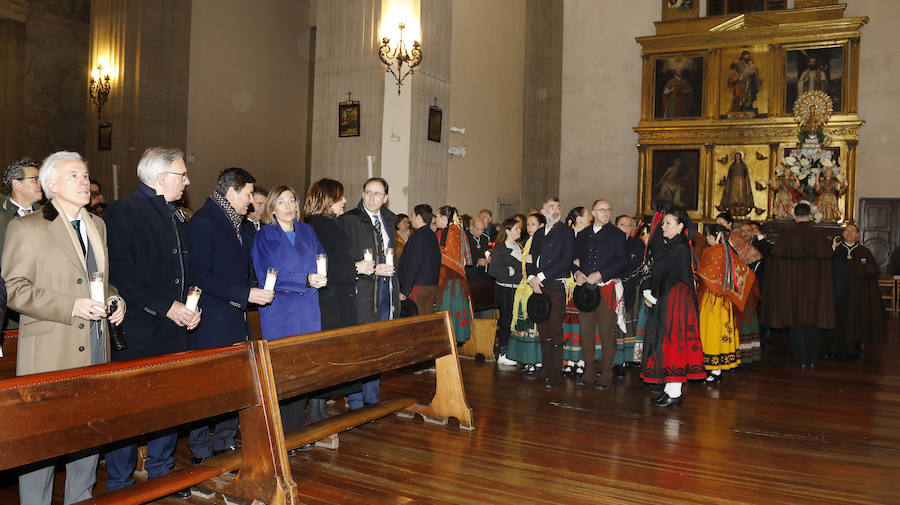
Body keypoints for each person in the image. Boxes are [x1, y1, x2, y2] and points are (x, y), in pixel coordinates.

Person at [3, 151, 125, 505]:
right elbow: (14, 288)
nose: (85, 181)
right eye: (75, 176)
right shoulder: (26, 227)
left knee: (88, 437)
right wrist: (70, 306)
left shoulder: (97, 224)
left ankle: (80, 498)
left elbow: (99, 281)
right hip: (51, 351)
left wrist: (116, 300)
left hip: (96, 348)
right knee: (42, 444)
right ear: (50, 185)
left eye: (86, 175)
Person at [102, 147, 200, 499]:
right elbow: (123, 273)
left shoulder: (175, 215)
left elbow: (184, 269)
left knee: (168, 405)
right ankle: (120, 484)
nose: (187, 180)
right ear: (161, 178)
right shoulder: (123, 212)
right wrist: (166, 306)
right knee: (129, 409)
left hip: (172, 327)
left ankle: (161, 472)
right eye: (182, 174)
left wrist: (191, 303)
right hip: (140, 327)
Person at [187, 166, 273, 463]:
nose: (251, 201)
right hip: (211, 318)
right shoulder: (204, 221)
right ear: (232, 191)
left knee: (234, 383)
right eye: (248, 194)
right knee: (205, 386)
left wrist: (251, 289)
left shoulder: (234, 221)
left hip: (233, 316)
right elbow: (200, 275)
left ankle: (224, 440)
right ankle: (199, 450)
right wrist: (244, 294)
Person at [252, 185, 327, 446]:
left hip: (307, 309)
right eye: (281, 202)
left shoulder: (307, 230)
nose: (288, 206)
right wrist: (304, 279)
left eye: (292, 201)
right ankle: (278, 435)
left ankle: (297, 433)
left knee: (304, 371)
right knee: (282, 373)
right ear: (272, 208)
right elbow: (268, 275)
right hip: (281, 311)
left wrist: (320, 272)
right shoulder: (264, 236)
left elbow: (321, 256)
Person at [303, 178, 366, 424]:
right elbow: (324, 267)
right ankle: (317, 411)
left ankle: (321, 409)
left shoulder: (329, 224)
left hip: (338, 300)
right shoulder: (317, 227)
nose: (345, 201)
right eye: (340, 197)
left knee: (331, 358)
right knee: (325, 357)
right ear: (328, 199)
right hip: (328, 303)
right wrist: (355, 268)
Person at [339, 177, 398, 409]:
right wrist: (373, 268)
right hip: (362, 292)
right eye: (367, 192)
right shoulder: (349, 221)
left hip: (385, 290)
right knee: (360, 346)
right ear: (362, 194)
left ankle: (372, 396)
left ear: (385, 198)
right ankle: (354, 399)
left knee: (378, 347)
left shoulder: (389, 220)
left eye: (377, 194)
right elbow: (343, 259)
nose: (371, 197)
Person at [641, 211, 706, 407]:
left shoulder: (679, 247)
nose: (663, 226)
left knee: (674, 342)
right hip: (671, 297)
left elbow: (660, 271)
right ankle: (670, 390)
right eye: (663, 223)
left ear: (680, 227)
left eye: (668, 223)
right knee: (667, 342)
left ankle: (675, 393)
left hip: (675, 300)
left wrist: (649, 293)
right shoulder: (674, 245)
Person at [761, 203, 834, 367]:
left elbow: (776, 268)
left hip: (791, 289)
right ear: (810, 216)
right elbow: (828, 268)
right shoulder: (820, 237)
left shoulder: (786, 236)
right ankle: (812, 359)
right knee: (813, 321)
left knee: (796, 323)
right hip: (816, 290)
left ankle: (800, 359)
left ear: (794, 215)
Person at [573, 200, 627, 390]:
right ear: (594, 213)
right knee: (586, 332)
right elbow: (574, 260)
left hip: (606, 289)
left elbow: (623, 261)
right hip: (585, 292)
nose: (606, 213)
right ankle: (588, 372)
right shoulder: (582, 234)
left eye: (608, 210)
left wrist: (601, 274)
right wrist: (577, 273)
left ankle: (606, 374)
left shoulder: (618, 235)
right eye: (601, 210)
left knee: (606, 333)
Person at [526, 197, 575, 389]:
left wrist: (540, 277)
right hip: (537, 286)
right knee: (543, 329)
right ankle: (545, 368)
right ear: (543, 211)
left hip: (554, 285)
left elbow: (566, 261)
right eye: (551, 207)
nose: (555, 210)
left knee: (555, 330)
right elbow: (530, 257)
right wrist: (531, 278)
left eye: (558, 207)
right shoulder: (538, 233)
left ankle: (556, 373)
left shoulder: (566, 231)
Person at [696, 226, 749, 383]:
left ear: (714, 236)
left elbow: (704, 274)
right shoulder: (730, 251)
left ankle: (713, 368)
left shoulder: (712, 251)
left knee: (711, 331)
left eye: (708, 236)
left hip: (711, 299)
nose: (707, 239)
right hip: (726, 300)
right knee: (722, 330)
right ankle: (719, 368)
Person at [826, 224, 883, 361]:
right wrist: (832, 248)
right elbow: (824, 266)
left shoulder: (864, 251)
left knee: (854, 323)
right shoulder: (835, 249)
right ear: (843, 234)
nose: (849, 233)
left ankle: (853, 351)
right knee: (834, 322)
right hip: (836, 294)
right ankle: (832, 350)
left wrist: (865, 269)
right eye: (847, 230)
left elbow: (874, 270)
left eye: (853, 231)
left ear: (858, 235)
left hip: (856, 296)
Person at [1, 159, 43, 329]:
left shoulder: (49, 216)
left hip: (42, 304)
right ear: (16, 184)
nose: (40, 184)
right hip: (8, 307)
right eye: (35, 179)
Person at [507, 213, 544, 375]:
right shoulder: (529, 241)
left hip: (536, 286)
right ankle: (527, 359)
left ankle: (537, 360)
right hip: (524, 287)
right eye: (527, 224)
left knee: (534, 325)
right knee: (524, 324)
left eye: (533, 224)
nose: (529, 228)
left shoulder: (542, 242)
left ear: (541, 226)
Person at [487, 217, 523, 366]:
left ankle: (513, 351)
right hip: (505, 289)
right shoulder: (501, 248)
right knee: (506, 319)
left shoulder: (519, 246)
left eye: (520, 228)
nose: (520, 230)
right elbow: (493, 270)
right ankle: (502, 353)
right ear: (507, 231)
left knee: (515, 320)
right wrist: (510, 271)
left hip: (517, 289)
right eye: (517, 228)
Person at [561, 206, 591, 378]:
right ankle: (568, 362)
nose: (590, 218)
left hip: (584, 284)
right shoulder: (566, 235)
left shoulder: (590, 236)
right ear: (578, 218)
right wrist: (573, 263)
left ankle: (581, 361)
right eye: (587, 215)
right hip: (568, 284)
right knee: (567, 323)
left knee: (583, 324)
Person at [436, 205, 473, 345]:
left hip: (450, 276)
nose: (436, 219)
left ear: (445, 217)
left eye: (438, 216)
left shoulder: (450, 231)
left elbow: (444, 254)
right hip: (456, 276)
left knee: (448, 307)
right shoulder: (456, 230)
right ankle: (454, 340)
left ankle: (449, 340)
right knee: (455, 306)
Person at [397, 204, 441, 316]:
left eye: (412, 215)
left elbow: (414, 264)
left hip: (418, 287)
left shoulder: (418, 236)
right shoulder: (432, 235)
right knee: (427, 322)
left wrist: (405, 290)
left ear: (418, 217)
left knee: (417, 324)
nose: (411, 220)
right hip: (431, 285)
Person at [717, 153, 755, 218]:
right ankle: (732, 206)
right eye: (736, 156)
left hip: (741, 183)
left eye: (738, 156)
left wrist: (743, 181)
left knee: (741, 195)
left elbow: (746, 176)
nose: (737, 157)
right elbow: (729, 176)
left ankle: (742, 205)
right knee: (733, 195)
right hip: (733, 183)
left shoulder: (743, 166)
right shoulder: (732, 166)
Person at [465, 214, 492, 286]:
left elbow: (488, 251)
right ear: (471, 227)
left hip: (483, 276)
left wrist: (489, 258)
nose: (481, 232)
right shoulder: (464, 237)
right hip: (470, 275)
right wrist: (477, 261)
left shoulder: (485, 238)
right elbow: (463, 257)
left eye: (482, 229)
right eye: (478, 229)